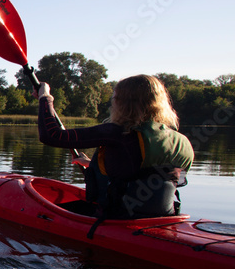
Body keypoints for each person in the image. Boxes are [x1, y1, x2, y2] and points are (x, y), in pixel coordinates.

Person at [36, 74, 194, 219]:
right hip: (164, 218)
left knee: (43, 212)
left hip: (117, 217)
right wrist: (93, 165)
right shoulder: (182, 142)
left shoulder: (118, 133)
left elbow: (52, 135)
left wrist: (45, 97)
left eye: (115, 98)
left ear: (121, 103)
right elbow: (153, 175)